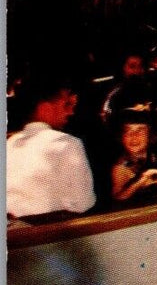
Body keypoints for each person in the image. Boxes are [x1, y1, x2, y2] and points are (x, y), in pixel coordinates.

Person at [6, 75, 96, 220]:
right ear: (45, 109)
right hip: (53, 235)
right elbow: (83, 203)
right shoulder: (66, 144)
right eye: (66, 105)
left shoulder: (8, 145)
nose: (71, 112)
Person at [109, 113, 157, 204]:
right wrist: (142, 179)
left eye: (140, 130)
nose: (133, 136)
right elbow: (118, 199)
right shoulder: (120, 166)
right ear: (122, 137)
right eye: (127, 131)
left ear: (150, 135)